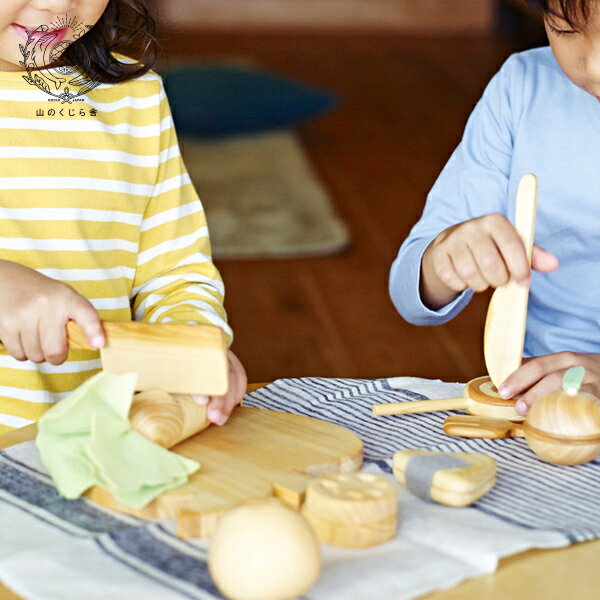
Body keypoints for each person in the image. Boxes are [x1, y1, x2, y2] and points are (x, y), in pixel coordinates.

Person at [0, 0, 246, 435]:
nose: (56, 3)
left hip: (96, 442)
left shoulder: (136, 97)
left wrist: (192, 346)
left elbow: (173, 273)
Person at [389, 0, 600, 415]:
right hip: (541, 401)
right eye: (565, 28)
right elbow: (410, 294)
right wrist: (447, 256)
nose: (593, 65)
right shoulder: (523, 88)